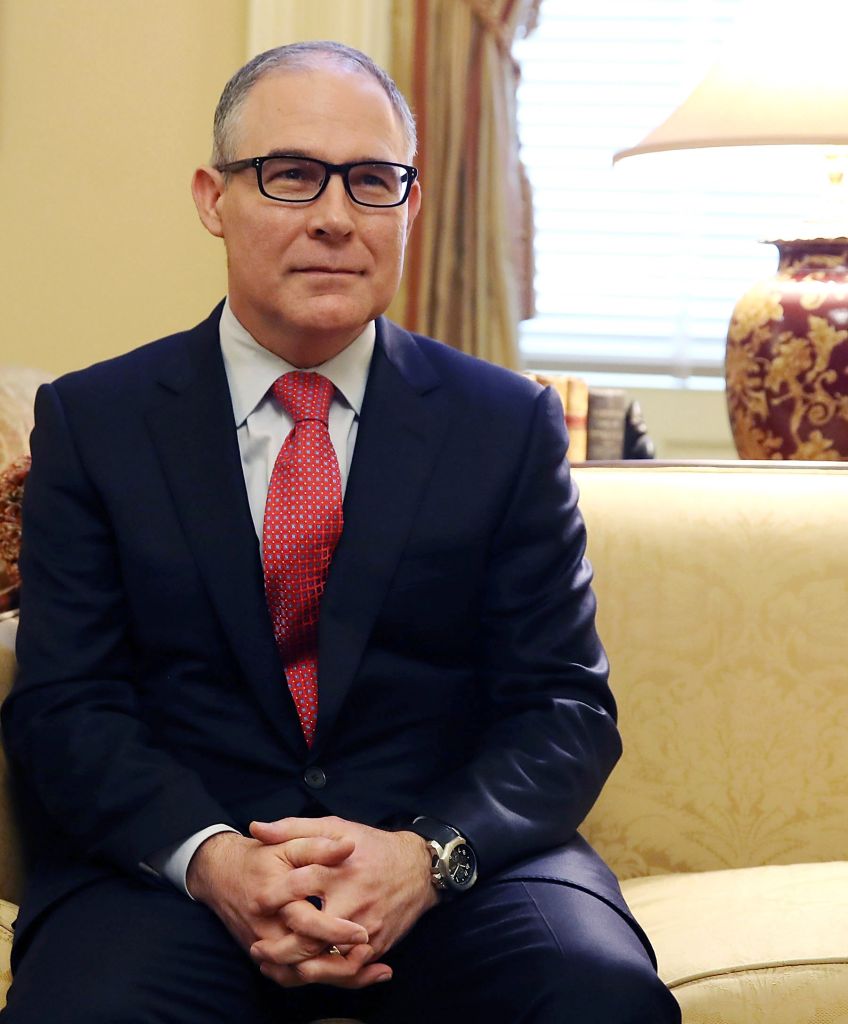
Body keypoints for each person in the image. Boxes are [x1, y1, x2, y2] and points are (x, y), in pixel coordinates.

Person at [0, 41, 680, 1024]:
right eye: (289, 176)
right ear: (212, 197)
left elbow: (561, 708)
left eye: (370, 181)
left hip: (455, 872)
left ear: (408, 204)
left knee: (594, 997)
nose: (332, 216)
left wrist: (422, 856)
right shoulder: (95, 423)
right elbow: (66, 705)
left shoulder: (503, 425)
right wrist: (218, 860)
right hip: (176, 877)